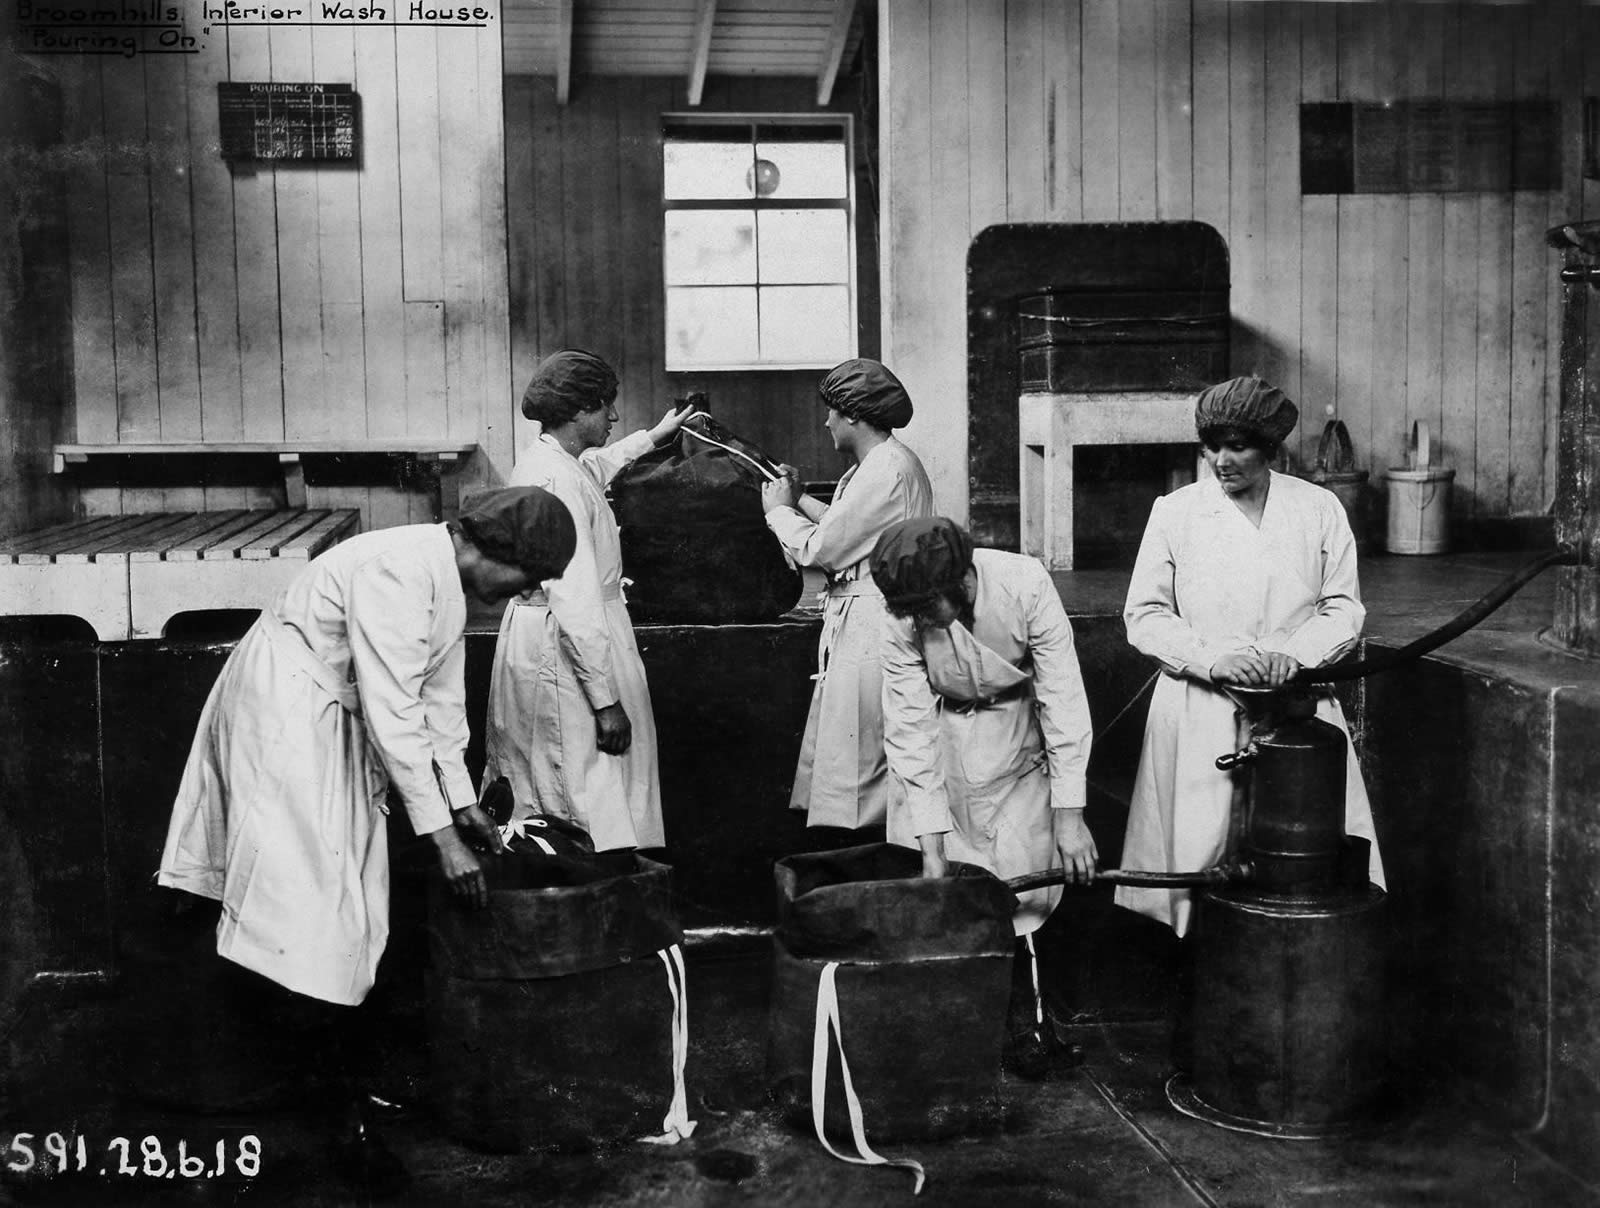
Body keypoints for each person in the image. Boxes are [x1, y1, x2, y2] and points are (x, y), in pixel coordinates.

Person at [156, 486, 578, 1191]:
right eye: (529, 575)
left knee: (339, 901)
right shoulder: (400, 570)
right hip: (291, 709)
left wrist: (464, 802)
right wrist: (441, 838)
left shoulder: (447, 579)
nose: (530, 590)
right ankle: (324, 1109)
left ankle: (331, 1069)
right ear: (490, 549)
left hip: (335, 713)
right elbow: (392, 713)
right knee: (315, 901)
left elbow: (439, 702)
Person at [1116, 377, 1387, 1064]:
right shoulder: (1175, 513)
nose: (1222, 460)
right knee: (1199, 864)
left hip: (1296, 710)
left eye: (1238, 446)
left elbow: (1344, 608)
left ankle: (1284, 1033)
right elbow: (1145, 614)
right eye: (1212, 446)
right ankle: (1205, 1033)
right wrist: (1216, 660)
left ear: (1269, 447)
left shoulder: (1317, 509)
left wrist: (1287, 660)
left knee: (1296, 867)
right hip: (1203, 706)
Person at [870, 516, 1096, 1077]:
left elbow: (1063, 700)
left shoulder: (1024, 584)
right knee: (939, 889)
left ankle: (1030, 1029)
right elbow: (910, 727)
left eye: (927, 608)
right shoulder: (901, 617)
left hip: (1016, 745)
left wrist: (1071, 816)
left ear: (962, 581)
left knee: (1023, 886)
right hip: (943, 748)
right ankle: (949, 1036)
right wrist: (930, 843)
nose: (919, 621)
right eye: (911, 612)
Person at [484, 349, 698, 851]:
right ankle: (589, 888)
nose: (614, 417)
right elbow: (574, 600)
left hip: (560, 635)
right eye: (606, 407)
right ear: (579, 411)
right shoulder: (555, 479)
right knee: (579, 785)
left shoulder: (554, 463)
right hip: (567, 644)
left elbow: (595, 469)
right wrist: (605, 703)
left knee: (573, 782)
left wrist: (652, 437)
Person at [760, 358, 935, 831]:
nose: (826, 422)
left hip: (875, 620)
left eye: (831, 412)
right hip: (867, 614)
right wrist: (796, 498)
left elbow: (824, 549)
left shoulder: (885, 471)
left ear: (853, 415)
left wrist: (778, 512)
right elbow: (848, 525)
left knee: (862, 761)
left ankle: (865, 856)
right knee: (855, 755)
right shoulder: (882, 464)